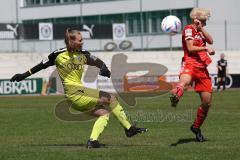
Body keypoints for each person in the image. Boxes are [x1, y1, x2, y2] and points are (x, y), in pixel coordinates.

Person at [10, 28, 147, 148]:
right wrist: (23, 75)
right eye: (80, 40)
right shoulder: (57, 54)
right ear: (71, 41)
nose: (83, 42)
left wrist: (104, 69)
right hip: (74, 92)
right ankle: (129, 129)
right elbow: (40, 65)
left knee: (104, 114)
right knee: (111, 98)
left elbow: (98, 61)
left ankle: (93, 141)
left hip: (77, 96)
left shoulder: (84, 54)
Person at [170, 8, 215, 142]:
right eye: (206, 18)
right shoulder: (188, 29)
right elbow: (190, 48)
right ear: (200, 18)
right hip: (190, 63)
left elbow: (211, 40)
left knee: (207, 103)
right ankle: (176, 95)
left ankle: (196, 127)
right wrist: (205, 48)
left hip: (202, 68)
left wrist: (201, 29)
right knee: (183, 83)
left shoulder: (200, 30)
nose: (207, 20)